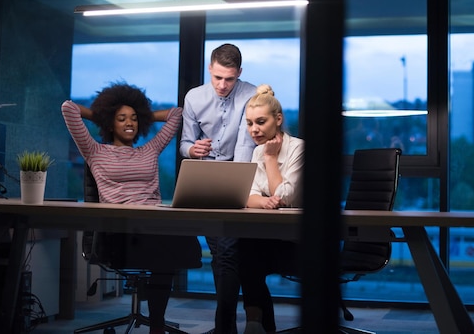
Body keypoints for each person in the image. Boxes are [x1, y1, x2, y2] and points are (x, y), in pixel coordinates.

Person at [61, 82, 202, 334]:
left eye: (134, 119)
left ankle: (156, 323)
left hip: (153, 225)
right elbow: (68, 109)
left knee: (172, 238)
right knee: (165, 248)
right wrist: (104, 116)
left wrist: (143, 115)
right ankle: (157, 319)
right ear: (110, 123)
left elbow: (176, 114)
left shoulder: (149, 150)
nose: (130, 123)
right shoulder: (94, 151)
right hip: (119, 230)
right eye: (122, 118)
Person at [179, 43, 257, 334]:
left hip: (241, 176)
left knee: (229, 251)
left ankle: (227, 325)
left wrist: (239, 190)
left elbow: (245, 146)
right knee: (224, 252)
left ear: (239, 74)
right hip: (206, 179)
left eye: (230, 79)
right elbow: (184, 144)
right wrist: (193, 149)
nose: (223, 85)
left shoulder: (251, 94)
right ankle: (230, 325)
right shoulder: (194, 98)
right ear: (209, 69)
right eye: (218, 78)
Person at [238, 84, 305, 334]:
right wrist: (264, 201)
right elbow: (249, 195)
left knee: (247, 252)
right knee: (245, 246)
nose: (254, 130)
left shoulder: (299, 149)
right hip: (268, 237)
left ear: (278, 120)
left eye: (261, 122)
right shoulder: (257, 150)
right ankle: (255, 324)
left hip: (299, 241)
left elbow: (285, 196)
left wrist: (270, 158)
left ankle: (255, 324)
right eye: (249, 123)